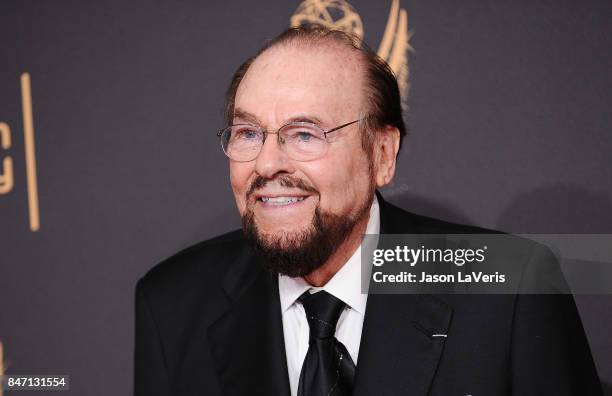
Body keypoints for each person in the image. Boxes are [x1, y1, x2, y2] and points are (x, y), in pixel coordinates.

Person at [134, 26, 601, 396]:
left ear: (381, 155)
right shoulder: (173, 303)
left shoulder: (511, 288)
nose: (268, 163)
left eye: (304, 134)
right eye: (248, 133)